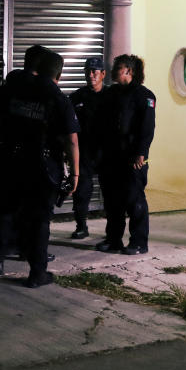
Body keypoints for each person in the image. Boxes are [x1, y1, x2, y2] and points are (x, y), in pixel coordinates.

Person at [0, 49, 79, 287]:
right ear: (58, 73)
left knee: (4, 212)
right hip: (42, 166)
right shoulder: (57, 98)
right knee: (39, 220)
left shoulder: (13, 90)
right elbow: (71, 140)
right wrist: (75, 173)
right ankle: (37, 273)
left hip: (11, 161)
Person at [0, 45, 49, 266]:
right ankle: (29, 252)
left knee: (3, 209)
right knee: (31, 211)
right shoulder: (44, 88)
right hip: (34, 159)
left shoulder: (9, 87)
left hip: (8, 155)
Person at [95, 54, 156, 255]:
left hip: (132, 157)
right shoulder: (111, 94)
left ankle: (139, 242)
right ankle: (114, 240)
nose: (113, 71)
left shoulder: (144, 96)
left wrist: (140, 153)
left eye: (117, 68)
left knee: (134, 199)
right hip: (111, 156)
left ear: (128, 71)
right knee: (113, 201)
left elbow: (147, 128)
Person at [68, 57, 107, 239]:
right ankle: (81, 226)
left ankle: (112, 232)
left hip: (106, 152)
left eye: (95, 71)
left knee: (111, 192)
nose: (91, 75)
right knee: (82, 192)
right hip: (84, 153)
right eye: (88, 71)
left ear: (103, 74)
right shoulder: (77, 97)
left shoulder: (111, 96)